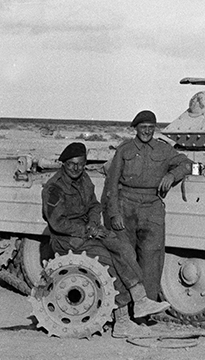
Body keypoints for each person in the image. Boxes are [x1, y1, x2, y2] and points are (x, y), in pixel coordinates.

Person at [41, 142, 170, 338]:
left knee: (123, 247)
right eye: (72, 164)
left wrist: (93, 223)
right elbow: (57, 223)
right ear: (63, 164)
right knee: (107, 261)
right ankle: (122, 322)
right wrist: (88, 230)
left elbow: (94, 205)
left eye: (81, 164)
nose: (76, 168)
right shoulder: (54, 187)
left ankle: (140, 298)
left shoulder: (84, 179)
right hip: (68, 238)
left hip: (89, 230)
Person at [104, 110, 191, 301]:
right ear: (136, 128)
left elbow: (186, 163)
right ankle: (125, 308)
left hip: (152, 208)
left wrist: (172, 175)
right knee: (125, 258)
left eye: (151, 128)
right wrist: (114, 214)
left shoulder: (163, 149)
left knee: (151, 260)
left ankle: (148, 307)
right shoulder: (124, 150)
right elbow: (111, 184)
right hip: (126, 205)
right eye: (143, 128)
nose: (147, 132)